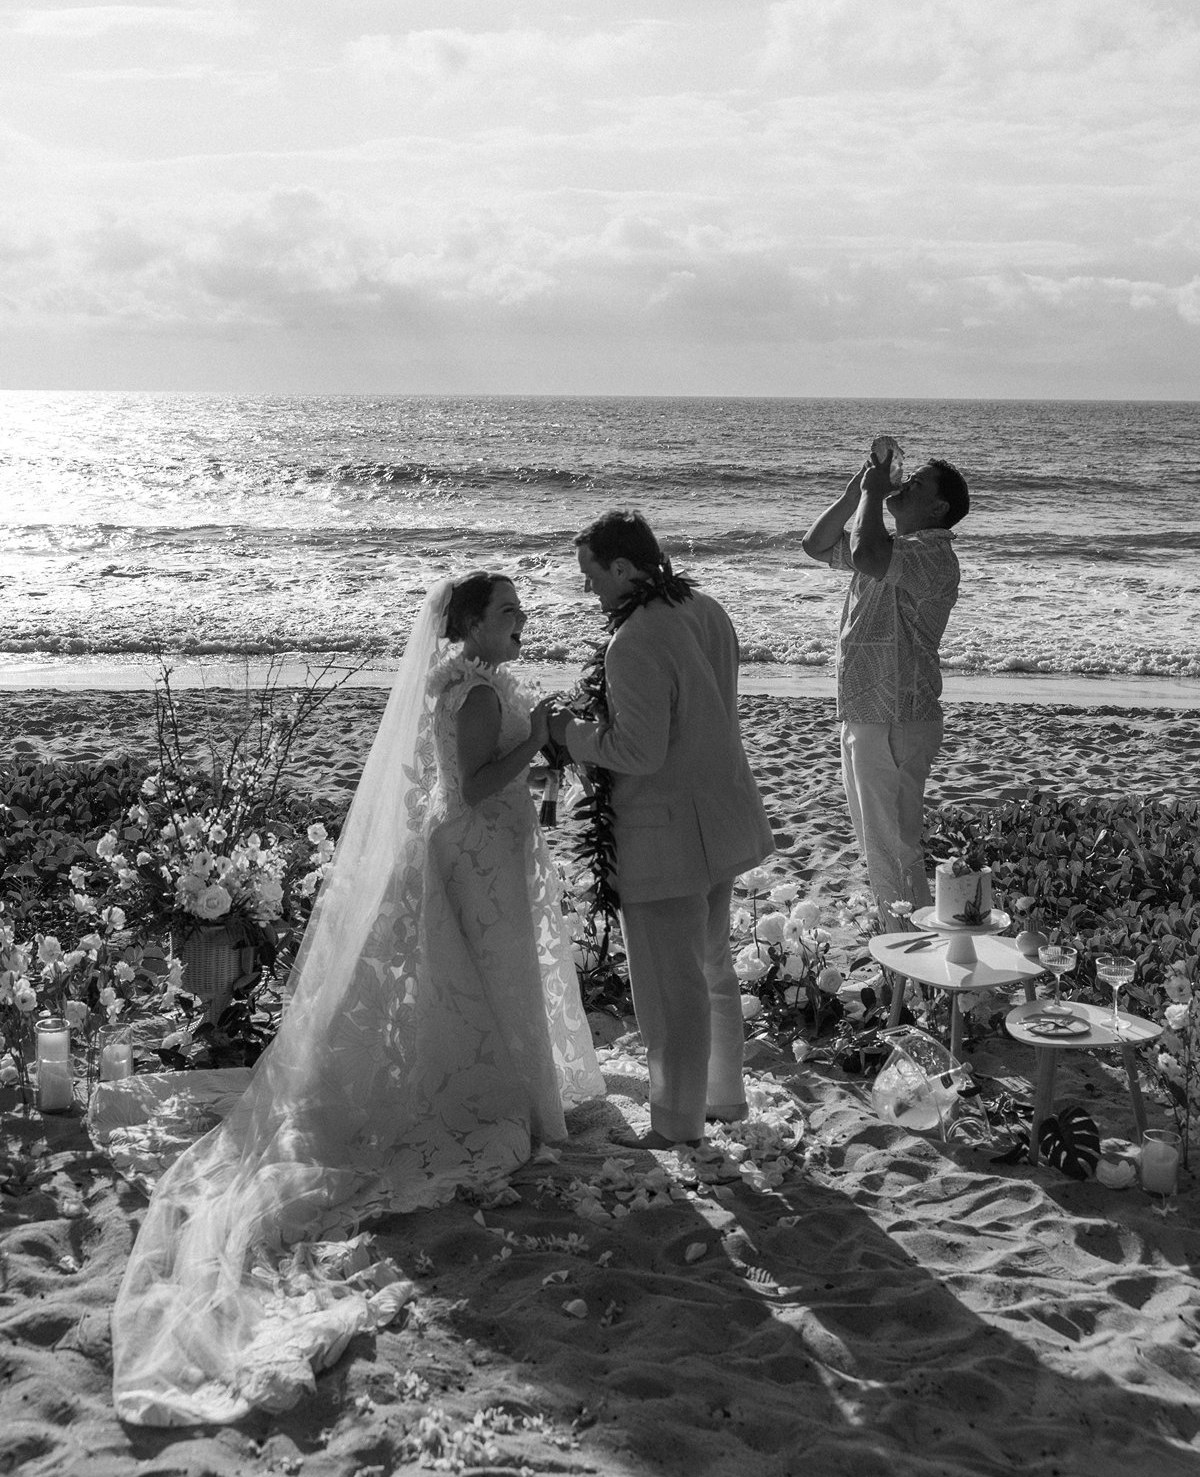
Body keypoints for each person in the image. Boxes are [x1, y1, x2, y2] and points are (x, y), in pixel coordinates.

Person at [110, 573, 603, 1425]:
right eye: (509, 613)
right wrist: (549, 738)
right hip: (480, 854)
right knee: (493, 979)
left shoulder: (465, 680)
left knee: (491, 983)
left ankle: (518, 1084)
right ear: (472, 627)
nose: (523, 621)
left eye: (523, 611)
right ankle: (511, 1095)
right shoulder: (477, 690)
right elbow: (475, 787)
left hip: (475, 852)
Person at [548, 510, 773, 1151]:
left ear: (622, 568)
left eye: (591, 575)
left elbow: (637, 751)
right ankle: (724, 1098)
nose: (588, 589)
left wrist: (568, 734)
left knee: (669, 991)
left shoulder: (636, 639)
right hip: (720, 818)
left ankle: (677, 1124)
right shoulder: (706, 608)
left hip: (664, 834)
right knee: (711, 970)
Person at [801, 452, 970, 929]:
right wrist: (857, 489)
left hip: (897, 715)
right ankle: (905, 957)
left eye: (917, 484)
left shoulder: (931, 555)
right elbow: (816, 544)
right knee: (881, 843)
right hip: (869, 711)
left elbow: (865, 553)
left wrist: (876, 494)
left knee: (893, 846)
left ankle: (909, 961)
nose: (906, 485)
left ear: (939, 509)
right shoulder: (897, 546)